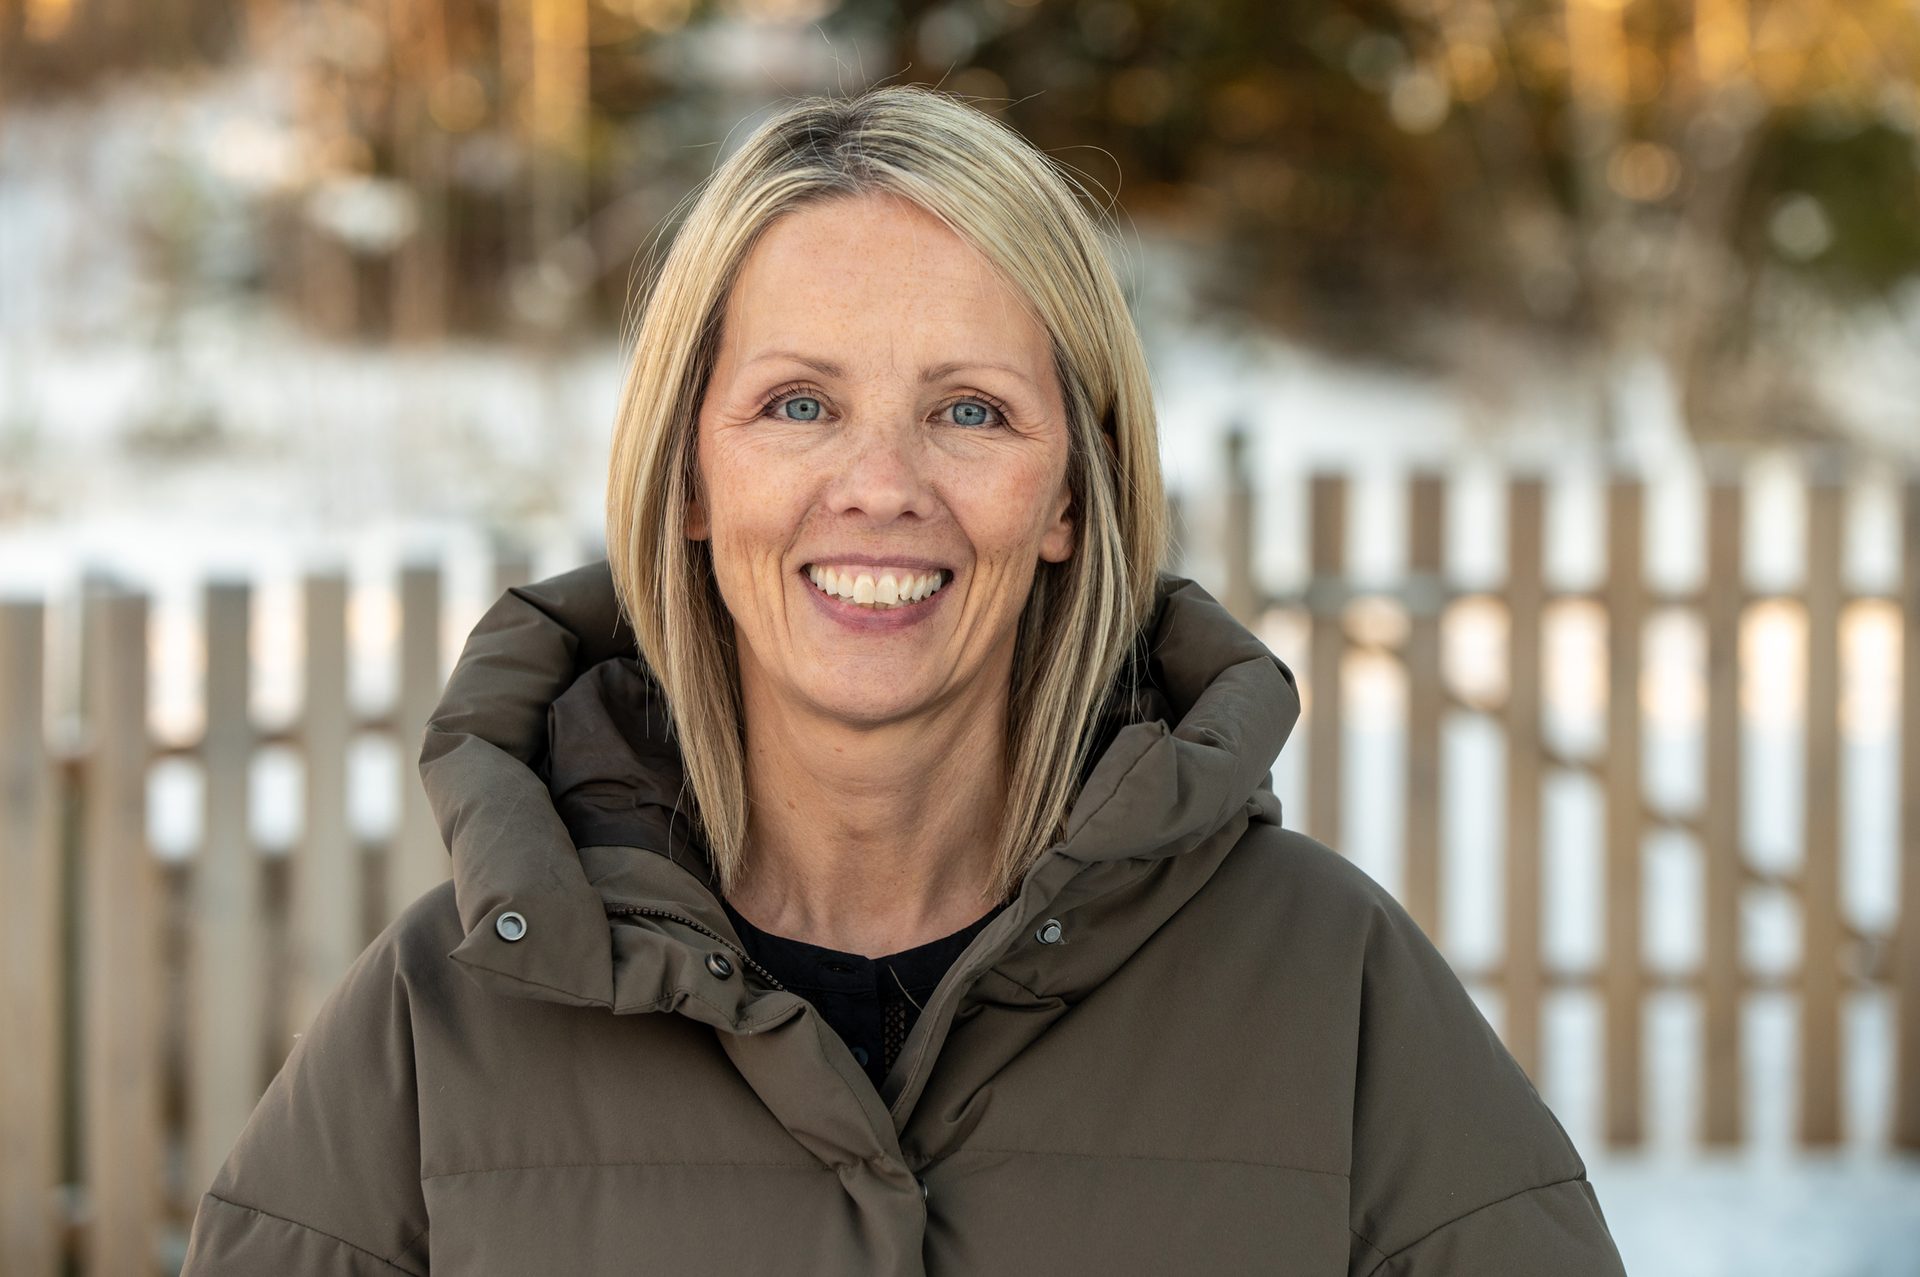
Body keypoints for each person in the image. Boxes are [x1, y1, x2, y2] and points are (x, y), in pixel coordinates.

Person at [181, 85, 1627, 1275]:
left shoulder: (1334, 989)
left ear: (1070, 491)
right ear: (691, 470)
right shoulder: (440, 1020)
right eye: (799, 404)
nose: (881, 487)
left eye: (971, 410)